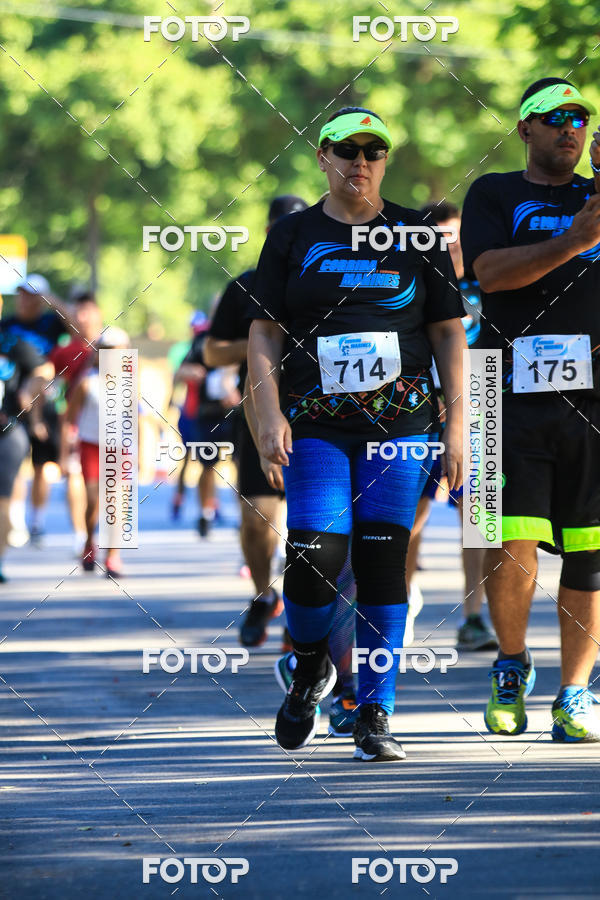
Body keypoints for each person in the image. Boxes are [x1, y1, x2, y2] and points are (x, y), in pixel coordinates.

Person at [248, 106, 466, 760]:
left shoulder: (415, 234)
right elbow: (264, 331)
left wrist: (460, 428)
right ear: (323, 156)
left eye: (372, 151)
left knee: (380, 564)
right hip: (316, 421)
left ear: (384, 160)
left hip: (403, 424)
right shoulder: (293, 235)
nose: (359, 162)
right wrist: (265, 414)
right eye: (347, 150)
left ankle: (376, 711)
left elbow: (448, 332)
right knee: (314, 559)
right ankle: (311, 664)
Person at [461, 77, 600, 741]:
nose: (568, 130)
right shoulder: (494, 194)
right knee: (509, 537)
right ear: (524, 129)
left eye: (578, 119)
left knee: (590, 550)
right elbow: (489, 275)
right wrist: (572, 240)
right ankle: (511, 664)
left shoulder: (595, 194)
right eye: (553, 119)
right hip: (502, 385)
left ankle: (575, 693)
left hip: (591, 394)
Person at [203, 196, 308, 649]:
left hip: (315, 411)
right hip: (258, 411)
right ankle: (264, 596)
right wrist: (261, 340)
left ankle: (305, 610)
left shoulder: (322, 281)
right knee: (257, 520)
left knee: (315, 523)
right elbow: (210, 353)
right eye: (279, 229)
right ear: (269, 234)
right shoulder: (245, 286)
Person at [406, 201, 497, 651]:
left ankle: (474, 615)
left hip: (484, 402)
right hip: (419, 405)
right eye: (438, 236)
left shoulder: (486, 281)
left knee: (479, 519)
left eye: (455, 234)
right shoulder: (411, 282)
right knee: (407, 515)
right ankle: (397, 604)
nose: (449, 243)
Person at [2, 275, 75, 543]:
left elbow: (78, 330)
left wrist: (53, 300)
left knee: (43, 464)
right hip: (14, 402)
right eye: (21, 294)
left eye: (31, 295)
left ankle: (36, 521)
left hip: (46, 401)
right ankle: (15, 518)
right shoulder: (8, 324)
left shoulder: (52, 323)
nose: (24, 300)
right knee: (13, 462)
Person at [61, 327, 130, 577]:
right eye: (107, 351)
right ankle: (90, 542)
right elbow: (69, 419)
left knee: (116, 501)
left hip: (119, 448)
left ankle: (113, 556)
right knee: (93, 501)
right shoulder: (87, 382)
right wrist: (63, 455)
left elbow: (139, 420)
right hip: (91, 445)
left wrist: (144, 453)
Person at [0, 295, 53, 582]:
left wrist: (29, 389)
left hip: (7, 430)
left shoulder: (9, 342)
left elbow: (44, 369)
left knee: (2, 499)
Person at [176, 315, 241, 537]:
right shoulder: (203, 340)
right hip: (208, 413)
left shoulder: (246, 335)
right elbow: (181, 371)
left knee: (241, 464)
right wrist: (193, 372)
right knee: (206, 464)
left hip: (238, 414)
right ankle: (206, 512)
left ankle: (244, 514)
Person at [51, 288, 103, 554]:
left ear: (98, 313)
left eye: (87, 311)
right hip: (75, 423)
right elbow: (55, 388)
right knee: (73, 476)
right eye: (77, 311)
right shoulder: (63, 352)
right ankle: (80, 534)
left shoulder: (112, 344)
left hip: (106, 426)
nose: (82, 317)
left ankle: (101, 538)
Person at [167, 311, 210, 522]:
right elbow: (176, 377)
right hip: (190, 412)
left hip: (206, 412)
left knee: (208, 461)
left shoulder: (210, 347)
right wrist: (169, 402)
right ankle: (179, 499)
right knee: (187, 459)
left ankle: (210, 505)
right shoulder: (182, 350)